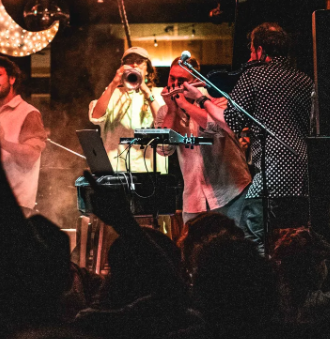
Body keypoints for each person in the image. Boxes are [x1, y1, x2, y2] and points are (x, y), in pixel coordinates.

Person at [186, 23, 313, 252]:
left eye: (252, 49)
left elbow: (229, 121)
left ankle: (263, 279)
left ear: (261, 50)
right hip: (305, 172)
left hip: (273, 170)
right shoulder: (304, 80)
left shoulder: (254, 77)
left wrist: (202, 99)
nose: (250, 55)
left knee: (253, 233)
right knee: (297, 236)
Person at [156, 56, 252, 230]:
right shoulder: (165, 110)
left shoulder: (216, 99)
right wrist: (172, 110)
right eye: (172, 78)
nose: (175, 84)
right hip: (194, 198)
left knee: (235, 250)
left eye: (182, 80)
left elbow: (214, 129)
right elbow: (163, 149)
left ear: (196, 81)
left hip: (230, 191)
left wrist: (185, 105)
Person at [0, 56, 48, 215]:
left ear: (12, 79)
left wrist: (2, 142)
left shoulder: (29, 113)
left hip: (15, 203)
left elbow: (31, 155)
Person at [89, 46, 166, 173]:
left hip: (148, 170)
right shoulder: (113, 94)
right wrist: (113, 83)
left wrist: (146, 91)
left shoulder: (158, 94)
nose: (134, 64)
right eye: (129, 61)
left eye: (140, 61)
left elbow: (164, 125)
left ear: (148, 70)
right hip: (116, 169)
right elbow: (96, 117)